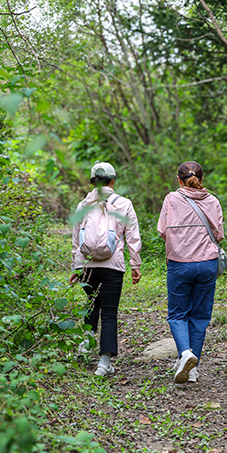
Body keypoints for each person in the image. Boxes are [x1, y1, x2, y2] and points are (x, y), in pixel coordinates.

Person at [70, 161, 141, 376]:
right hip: (112, 266)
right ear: (112, 181)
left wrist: (76, 267)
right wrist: (135, 265)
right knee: (109, 312)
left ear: (93, 182)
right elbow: (133, 236)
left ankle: (85, 344)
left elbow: (76, 238)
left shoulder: (83, 204)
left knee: (92, 302)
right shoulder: (124, 204)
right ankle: (103, 363)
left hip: (87, 266)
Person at [157, 161, 224, 384]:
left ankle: (185, 354)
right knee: (200, 316)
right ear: (201, 180)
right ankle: (193, 370)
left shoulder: (171, 199)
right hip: (207, 264)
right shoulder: (213, 201)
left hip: (179, 263)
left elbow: (162, 231)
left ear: (179, 180)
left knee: (177, 314)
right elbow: (220, 235)